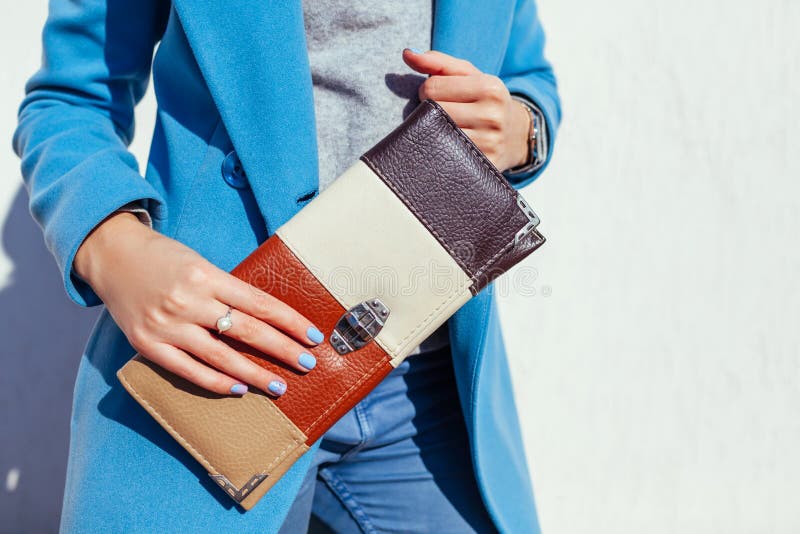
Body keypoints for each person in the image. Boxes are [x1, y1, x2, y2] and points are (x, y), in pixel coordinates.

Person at [13, 0, 560, 532]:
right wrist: (115, 251)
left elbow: (526, 79)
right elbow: (69, 99)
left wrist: (522, 131)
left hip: (426, 377)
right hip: (220, 361)